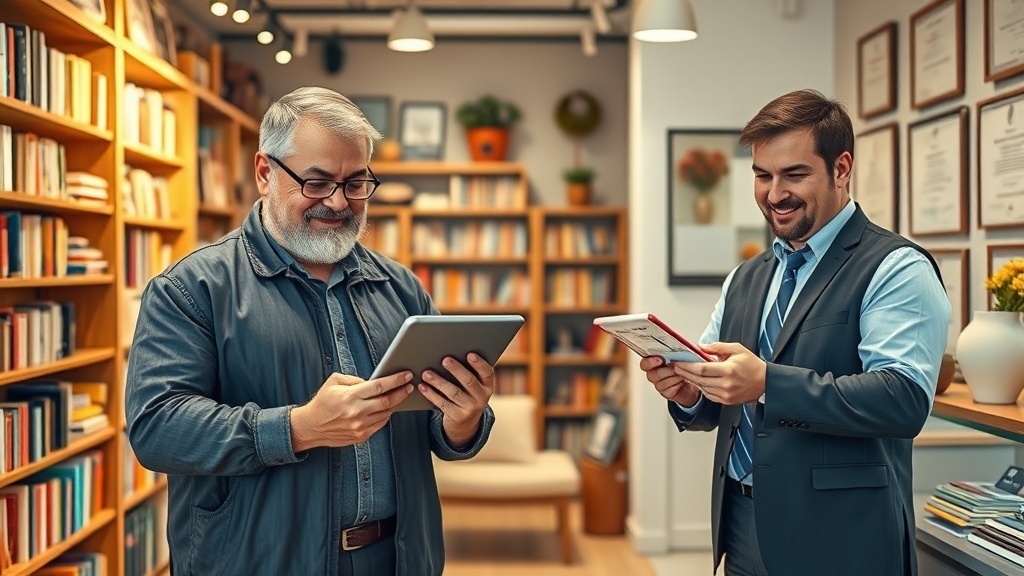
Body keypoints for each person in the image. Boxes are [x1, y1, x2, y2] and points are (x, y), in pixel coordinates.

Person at [125, 86, 497, 576]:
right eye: (317, 183)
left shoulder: (401, 287)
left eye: (356, 182)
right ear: (265, 172)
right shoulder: (192, 289)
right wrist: (298, 428)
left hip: (399, 557)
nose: (339, 202)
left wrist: (464, 417)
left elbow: (435, 425)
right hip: (259, 562)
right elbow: (158, 429)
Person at [641, 89, 949, 576]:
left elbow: (903, 398)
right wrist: (688, 393)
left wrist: (767, 382)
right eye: (762, 176)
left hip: (842, 537)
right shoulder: (747, 276)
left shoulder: (895, 267)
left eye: (795, 174)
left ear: (842, 168)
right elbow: (720, 400)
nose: (774, 193)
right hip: (741, 525)